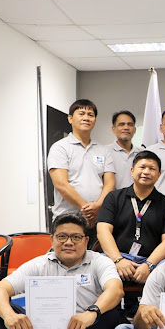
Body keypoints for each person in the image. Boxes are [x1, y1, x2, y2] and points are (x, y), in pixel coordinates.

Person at [97, 150, 165, 316]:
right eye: (142, 167)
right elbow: (103, 230)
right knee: (98, 265)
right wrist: (118, 260)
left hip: (151, 261)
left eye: (152, 168)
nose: (146, 172)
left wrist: (149, 265)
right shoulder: (114, 197)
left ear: (159, 174)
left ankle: (154, 317)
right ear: (132, 170)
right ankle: (108, 315)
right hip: (117, 258)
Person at [48, 99, 115, 241]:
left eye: (91, 115)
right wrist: (86, 209)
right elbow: (61, 184)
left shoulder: (103, 150)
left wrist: (97, 207)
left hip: (98, 218)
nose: (86, 118)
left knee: (96, 260)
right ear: (70, 118)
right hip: (67, 218)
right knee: (69, 259)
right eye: (82, 113)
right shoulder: (60, 148)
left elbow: (109, 184)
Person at [108, 110, 141, 190]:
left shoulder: (142, 153)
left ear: (135, 129)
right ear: (113, 129)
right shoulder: (105, 152)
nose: (126, 128)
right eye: (121, 124)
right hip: (113, 201)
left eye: (130, 124)